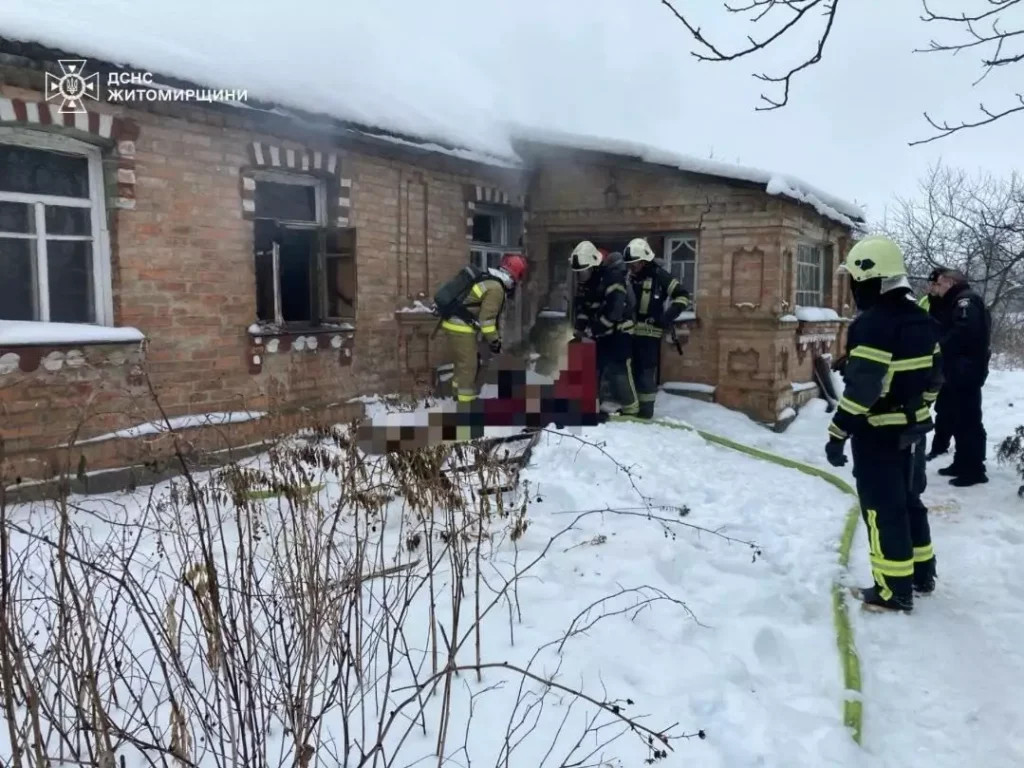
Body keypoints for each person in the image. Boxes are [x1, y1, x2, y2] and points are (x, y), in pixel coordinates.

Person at [824, 235, 942, 613]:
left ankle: (893, 592)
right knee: (909, 502)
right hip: (914, 431)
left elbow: (863, 391)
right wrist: (918, 409)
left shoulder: (871, 324)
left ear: (870, 278)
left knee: (881, 508)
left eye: (855, 281)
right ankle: (922, 576)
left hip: (878, 433)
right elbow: (935, 377)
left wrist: (837, 432)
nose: (854, 289)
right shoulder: (924, 319)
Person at [928, 268, 992, 486]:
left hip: (966, 371)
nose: (936, 288)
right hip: (955, 370)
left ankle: (974, 469)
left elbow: (963, 333)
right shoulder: (954, 301)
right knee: (956, 418)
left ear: (950, 282)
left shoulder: (966, 302)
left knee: (969, 421)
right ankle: (961, 462)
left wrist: (938, 346)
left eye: (938, 283)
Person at [437, 253, 528, 404]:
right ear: (516, 275)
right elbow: (487, 321)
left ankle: (456, 395)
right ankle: (466, 404)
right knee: (469, 365)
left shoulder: (489, 279)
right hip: (461, 327)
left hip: (455, 322)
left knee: (463, 362)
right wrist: (495, 341)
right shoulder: (497, 289)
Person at [622, 237, 692, 419]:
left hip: (649, 334)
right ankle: (633, 408)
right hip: (630, 333)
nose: (631, 267)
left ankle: (645, 412)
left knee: (646, 372)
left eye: (634, 263)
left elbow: (683, 296)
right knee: (631, 371)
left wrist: (666, 317)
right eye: (629, 264)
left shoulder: (659, 275)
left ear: (644, 261)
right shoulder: (629, 277)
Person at [570, 240, 639, 416]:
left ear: (593, 266)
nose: (581, 276)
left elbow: (614, 312)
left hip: (619, 332)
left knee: (619, 371)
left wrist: (594, 330)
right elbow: (583, 309)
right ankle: (589, 407)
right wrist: (580, 328)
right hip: (600, 334)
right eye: (578, 273)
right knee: (593, 369)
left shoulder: (612, 280)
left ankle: (631, 410)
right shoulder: (586, 285)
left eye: (583, 271)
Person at [919, 267, 955, 461]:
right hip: (925, 361)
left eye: (936, 284)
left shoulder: (952, 304)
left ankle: (942, 446)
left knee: (949, 407)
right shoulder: (924, 303)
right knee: (930, 406)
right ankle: (936, 447)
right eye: (931, 283)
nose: (932, 287)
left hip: (946, 362)